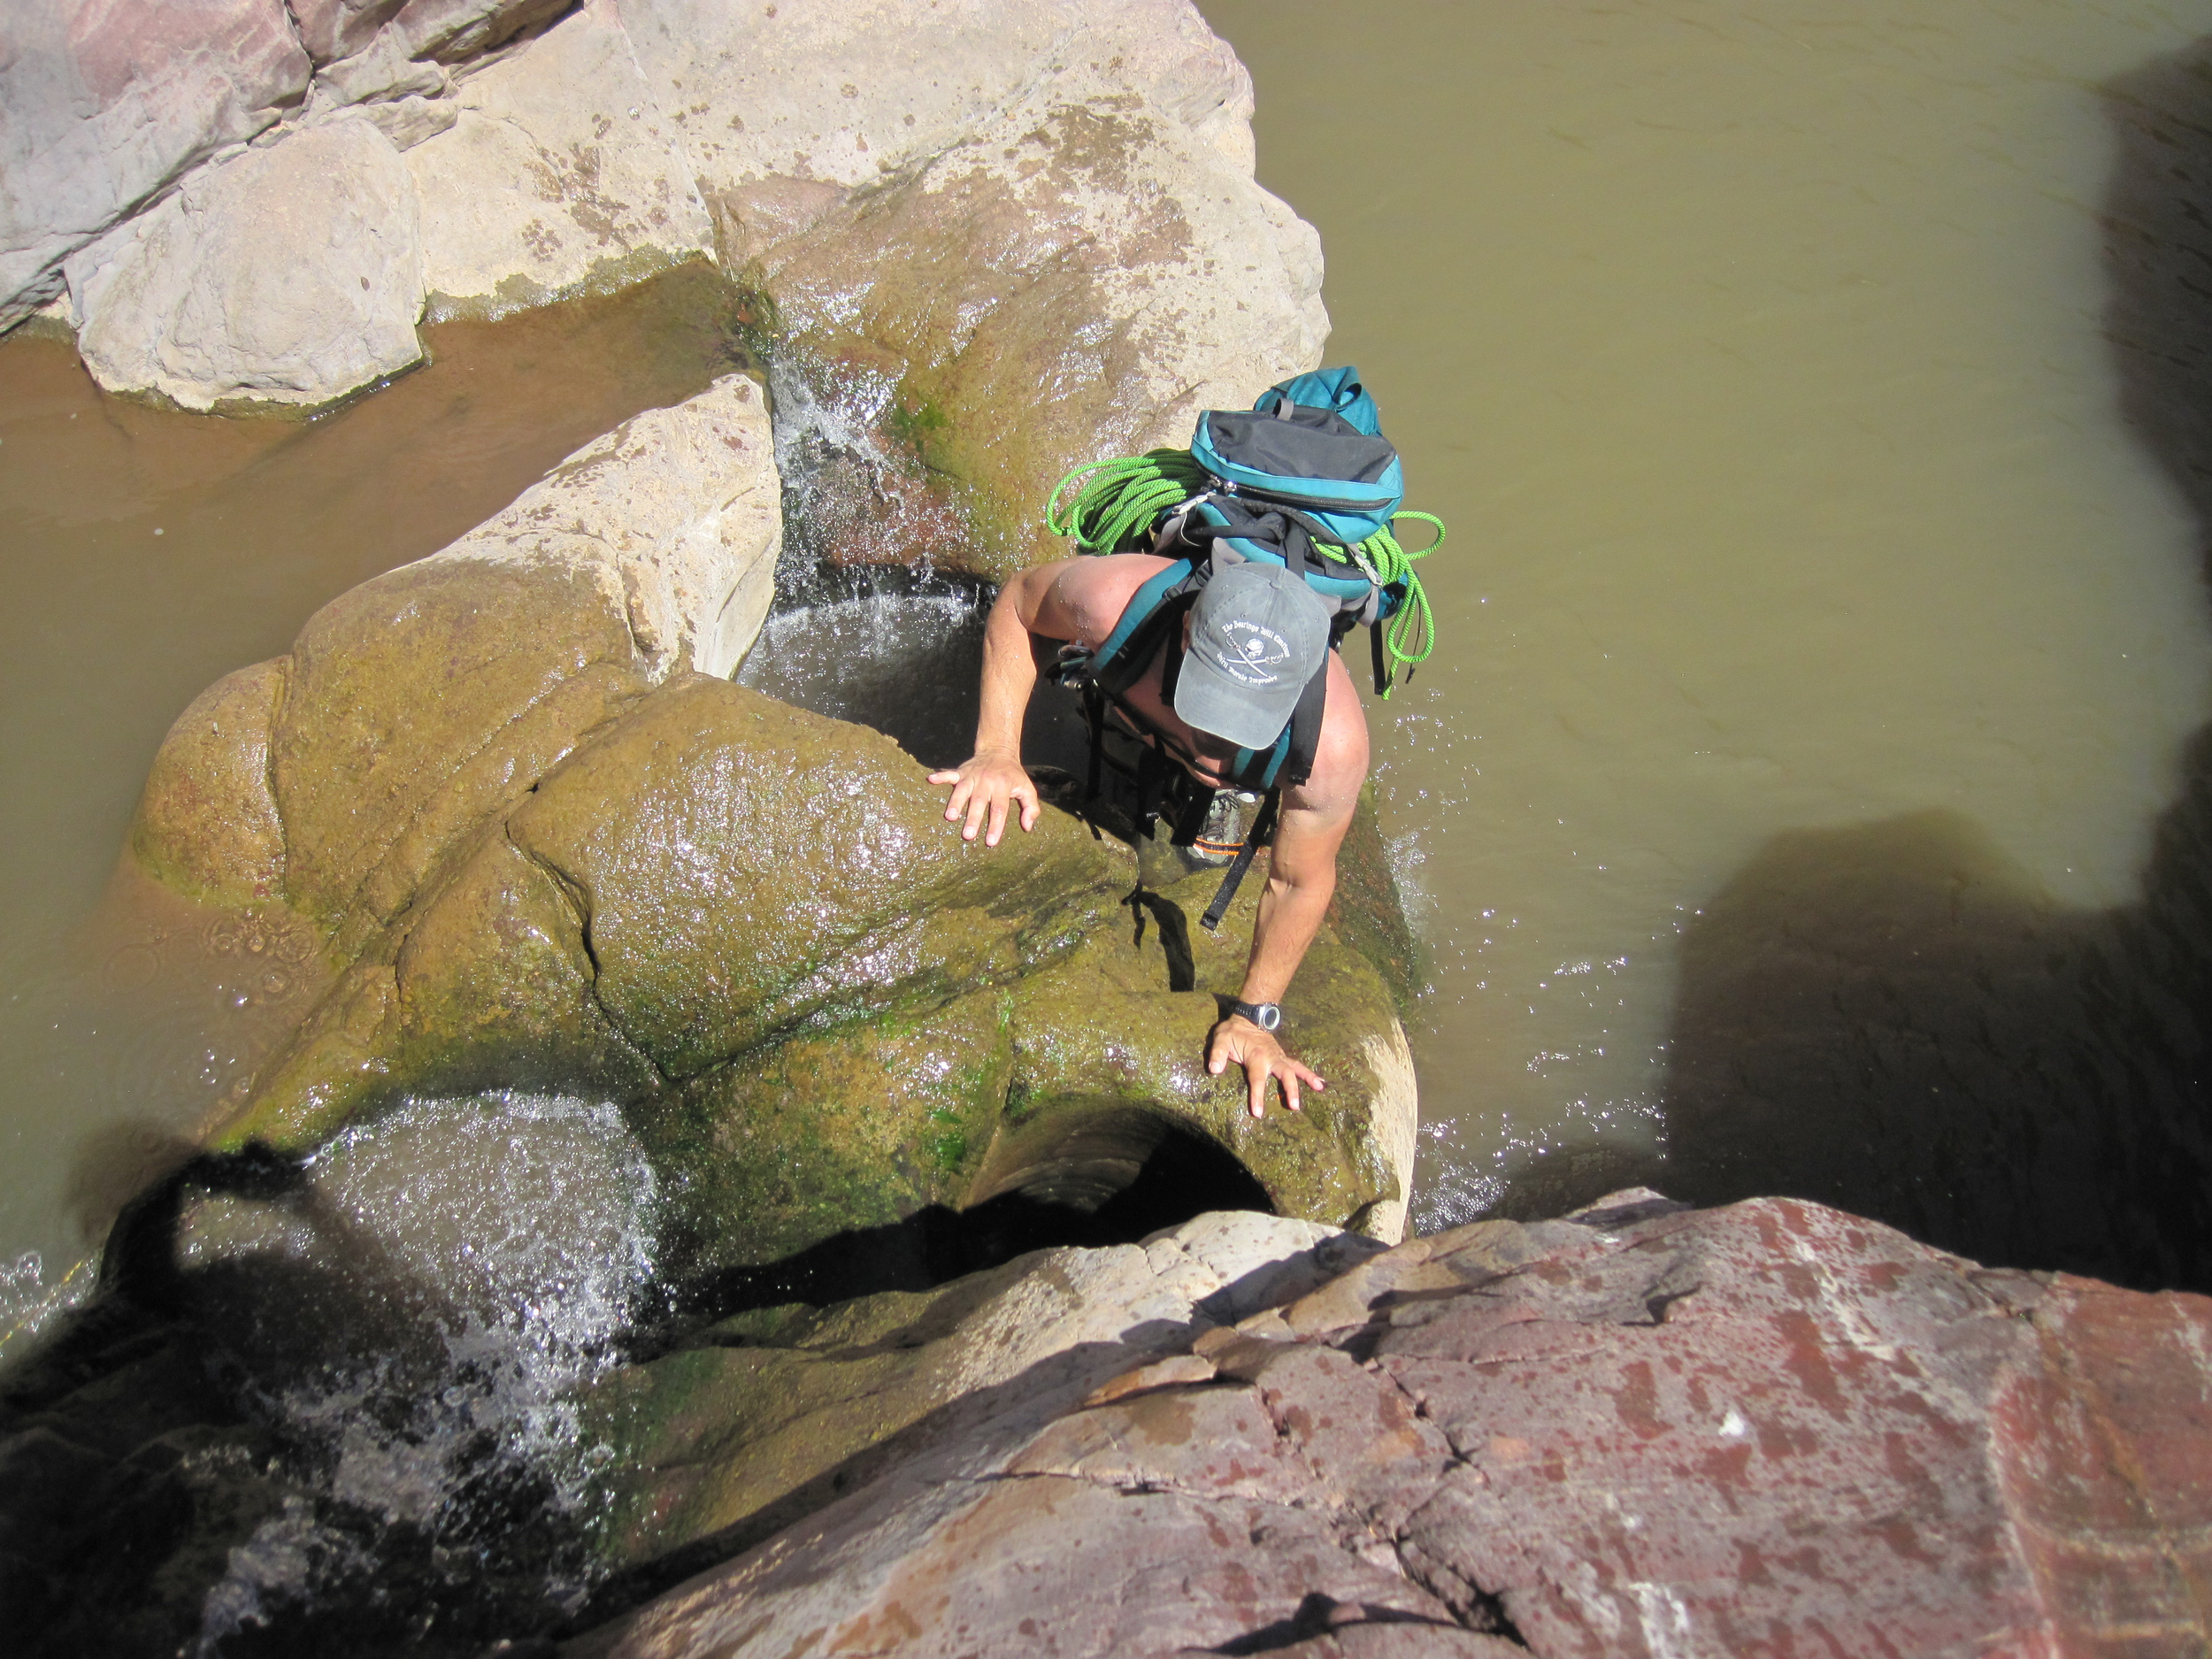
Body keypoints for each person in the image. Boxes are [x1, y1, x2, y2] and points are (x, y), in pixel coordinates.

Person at [930, 553, 1370, 1121]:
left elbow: (1298, 881)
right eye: (1210, 703)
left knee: (1218, 820)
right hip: (1138, 694)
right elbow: (1019, 605)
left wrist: (1254, 1017)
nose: (1216, 742)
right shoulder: (1111, 601)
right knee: (1123, 752)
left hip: (1227, 750)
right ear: (1186, 633)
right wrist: (995, 752)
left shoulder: (1332, 748)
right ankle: (1129, 730)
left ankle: (1208, 783)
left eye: (1246, 723)